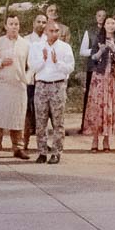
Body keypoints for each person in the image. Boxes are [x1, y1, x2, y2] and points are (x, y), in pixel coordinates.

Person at [0, 14, 31, 160]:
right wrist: (0, 62)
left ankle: (18, 148)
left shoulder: (25, 44)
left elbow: (31, 65)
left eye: (16, 24)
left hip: (18, 85)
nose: (14, 27)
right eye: (11, 24)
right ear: (5, 26)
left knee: (17, 117)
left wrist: (27, 78)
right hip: (2, 84)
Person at [28, 20, 74, 164]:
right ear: (45, 32)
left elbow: (70, 67)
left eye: (56, 31)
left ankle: (56, 152)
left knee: (58, 121)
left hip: (57, 85)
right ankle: (42, 152)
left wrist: (57, 62)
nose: (54, 34)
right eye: (51, 31)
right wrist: (44, 59)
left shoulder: (65, 47)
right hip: (41, 85)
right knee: (40, 121)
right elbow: (32, 66)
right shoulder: (37, 47)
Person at [82, 15, 115, 152]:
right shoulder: (98, 39)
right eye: (108, 23)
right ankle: (95, 139)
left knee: (110, 107)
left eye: (113, 23)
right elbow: (93, 58)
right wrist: (100, 50)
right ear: (104, 25)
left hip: (113, 78)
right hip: (99, 77)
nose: (111, 25)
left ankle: (106, 140)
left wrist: (113, 49)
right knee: (97, 107)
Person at [78, 9, 108, 135]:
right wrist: (94, 51)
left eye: (103, 16)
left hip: (106, 68)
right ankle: (86, 126)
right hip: (93, 67)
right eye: (99, 15)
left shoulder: (110, 31)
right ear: (96, 17)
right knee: (89, 96)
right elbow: (82, 51)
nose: (101, 18)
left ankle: (104, 126)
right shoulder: (89, 32)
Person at [23, 12, 49, 152]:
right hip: (30, 80)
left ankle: (43, 143)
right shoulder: (26, 40)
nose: (41, 24)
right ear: (34, 23)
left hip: (44, 80)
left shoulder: (48, 39)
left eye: (44, 22)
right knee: (27, 112)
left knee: (43, 113)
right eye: (38, 21)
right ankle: (24, 142)